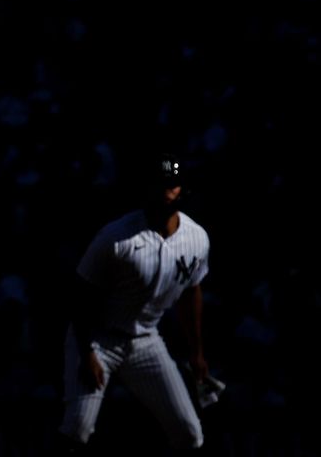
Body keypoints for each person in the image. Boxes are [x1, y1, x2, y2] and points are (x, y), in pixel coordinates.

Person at [56, 153, 210, 454]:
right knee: (78, 427)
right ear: (148, 189)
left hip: (146, 341)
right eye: (160, 184)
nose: (167, 191)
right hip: (99, 337)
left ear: (182, 190)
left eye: (173, 184)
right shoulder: (116, 237)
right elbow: (81, 295)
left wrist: (197, 352)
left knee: (190, 432)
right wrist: (86, 352)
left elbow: (192, 292)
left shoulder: (197, 238)